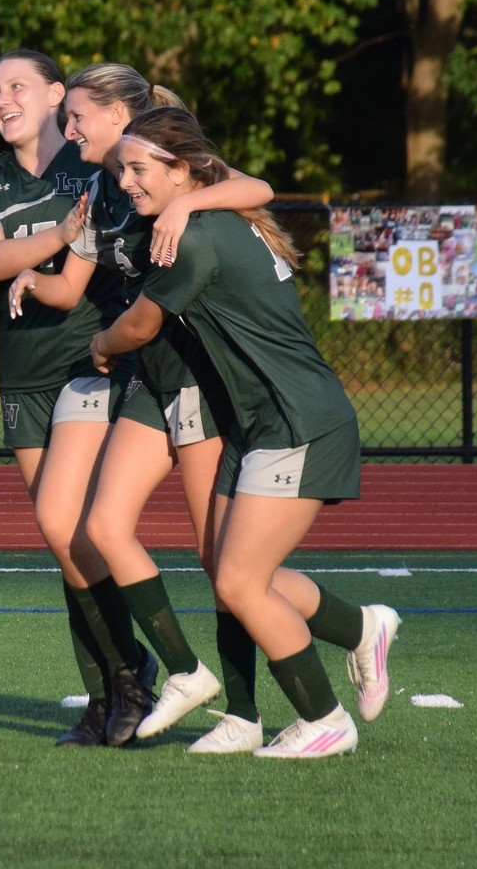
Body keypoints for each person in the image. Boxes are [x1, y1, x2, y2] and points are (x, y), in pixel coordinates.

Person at [89, 106, 400, 758]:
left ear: (181, 169)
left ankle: (324, 720)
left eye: (139, 169)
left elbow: (139, 328)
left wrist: (99, 343)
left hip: (297, 421)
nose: (126, 181)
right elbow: (243, 187)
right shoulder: (204, 216)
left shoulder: (197, 234)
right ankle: (362, 627)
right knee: (233, 571)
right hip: (259, 422)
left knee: (237, 583)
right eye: (122, 170)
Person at [8, 63, 275, 743]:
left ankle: (257, 705)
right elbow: (71, 287)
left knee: (220, 558)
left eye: (76, 117)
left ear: (121, 119)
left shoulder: (170, 173)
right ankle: (167, 677)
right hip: (144, 379)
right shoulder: (104, 189)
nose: (66, 131)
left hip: (198, 377)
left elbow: (258, 187)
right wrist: (31, 277)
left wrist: (187, 203)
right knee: (97, 528)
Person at [0, 49, 159, 748]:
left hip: (88, 364)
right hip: (23, 371)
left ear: (54, 96)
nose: (2, 99)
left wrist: (49, 257)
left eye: (17, 86)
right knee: (60, 542)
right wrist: (56, 235)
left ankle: (128, 682)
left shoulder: (98, 159)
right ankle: (110, 691)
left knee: (75, 529)